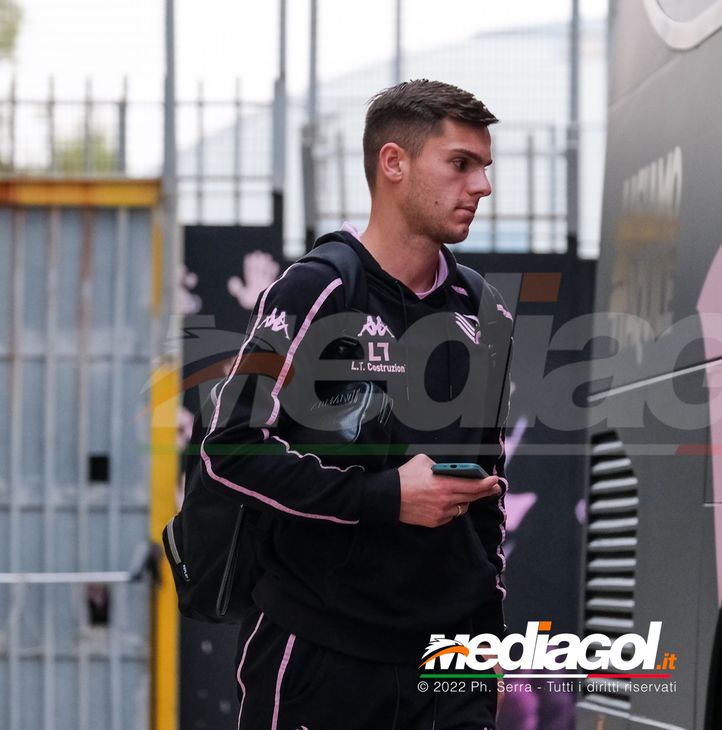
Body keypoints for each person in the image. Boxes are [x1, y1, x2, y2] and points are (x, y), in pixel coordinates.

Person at [201, 79, 511, 729]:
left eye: (484, 167)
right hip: (320, 653)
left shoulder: (484, 312)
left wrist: (487, 646)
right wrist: (385, 497)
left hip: (448, 663)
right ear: (392, 163)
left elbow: (486, 499)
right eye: (460, 163)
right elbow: (231, 446)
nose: (481, 185)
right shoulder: (318, 287)